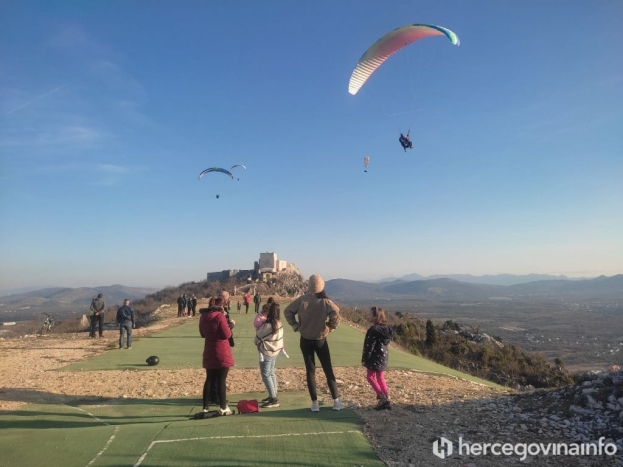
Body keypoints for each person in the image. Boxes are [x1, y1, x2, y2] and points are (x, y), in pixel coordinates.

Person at [284, 274, 343, 412]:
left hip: (305, 339)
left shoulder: (302, 300)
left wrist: (296, 326)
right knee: (328, 369)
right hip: (320, 339)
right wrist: (331, 327)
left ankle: (314, 403)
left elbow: (288, 311)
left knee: (310, 371)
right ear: (321, 286)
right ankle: (336, 401)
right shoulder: (325, 302)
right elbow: (336, 313)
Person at [199, 297, 235, 416]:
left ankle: (205, 407)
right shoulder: (220, 316)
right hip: (221, 349)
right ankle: (223, 406)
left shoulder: (203, 317)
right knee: (221, 380)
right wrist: (230, 326)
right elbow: (226, 334)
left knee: (209, 379)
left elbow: (202, 334)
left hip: (209, 349)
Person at [362, 306, 395, 410]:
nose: (368, 315)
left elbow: (369, 346)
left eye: (370, 314)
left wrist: (365, 359)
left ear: (375, 316)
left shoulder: (373, 330)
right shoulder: (387, 330)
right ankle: (386, 398)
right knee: (380, 377)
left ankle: (382, 398)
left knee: (370, 377)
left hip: (374, 356)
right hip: (383, 356)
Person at [254, 301, 284, 408]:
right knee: (271, 372)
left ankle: (273, 398)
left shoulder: (269, 324)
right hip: (275, 351)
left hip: (267, 351)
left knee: (266, 374)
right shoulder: (279, 322)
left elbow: (257, 337)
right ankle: (273, 394)